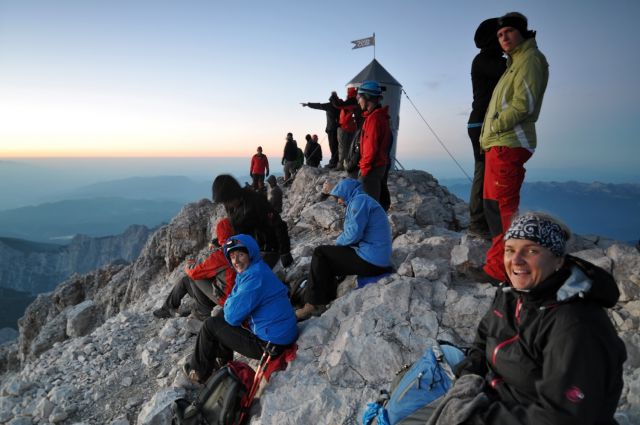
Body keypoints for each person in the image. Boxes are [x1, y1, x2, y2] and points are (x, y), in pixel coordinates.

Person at [445, 212, 626, 425]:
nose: (516, 260)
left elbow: (562, 417)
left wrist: (476, 419)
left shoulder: (575, 324)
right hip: (497, 402)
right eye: (510, 250)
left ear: (558, 259)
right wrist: (468, 378)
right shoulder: (512, 294)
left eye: (531, 251)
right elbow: (484, 338)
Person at [477, 12, 549, 283]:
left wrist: (494, 126)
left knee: (503, 211)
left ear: (523, 32)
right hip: (499, 145)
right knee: (493, 209)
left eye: (509, 31)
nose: (503, 37)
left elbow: (524, 104)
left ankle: (502, 271)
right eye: (499, 34)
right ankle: (497, 265)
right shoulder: (514, 63)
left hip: (508, 142)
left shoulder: (530, 60)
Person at [184, 234, 298, 384]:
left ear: (250, 253)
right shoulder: (255, 268)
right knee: (221, 314)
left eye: (241, 255)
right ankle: (223, 363)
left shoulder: (254, 277)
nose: (236, 261)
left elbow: (232, 316)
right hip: (280, 334)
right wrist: (230, 304)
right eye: (232, 256)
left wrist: (230, 304)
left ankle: (198, 372)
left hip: (271, 345)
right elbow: (232, 302)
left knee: (210, 325)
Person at [295, 178, 392, 321]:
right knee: (329, 259)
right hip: (376, 258)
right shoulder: (360, 200)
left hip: (372, 261)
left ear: (347, 193)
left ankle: (313, 304)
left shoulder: (359, 202)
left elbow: (353, 234)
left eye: (339, 197)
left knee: (320, 253)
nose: (339, 202)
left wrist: (337, 242)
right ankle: (324, 298)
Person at [467, 18, 507, 240]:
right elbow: (509, 71)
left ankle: (481, 220)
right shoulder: (485, 60)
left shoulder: (484, 59)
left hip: (481, 122)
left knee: (485, 170)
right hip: (482, 123)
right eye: (500, 35)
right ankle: (477, 222)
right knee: (483, 171)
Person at [153, 218, 236, 320]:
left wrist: (188, 267)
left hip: (227, 298)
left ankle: (203, 312)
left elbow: (195, 273)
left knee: (192, 277)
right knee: (186, 281)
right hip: (232, 292)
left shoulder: (220, 255)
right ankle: (167, 309)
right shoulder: (240, 247)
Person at [211, 174, 293, 269]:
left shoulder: (256, 201)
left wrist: (285, 252)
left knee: (248, 277)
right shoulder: (232, 207)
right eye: (224, 201)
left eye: (227, 200)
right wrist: (220, 240)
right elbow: (238, 229)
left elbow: (278, 225)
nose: (226, 204)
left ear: (233, 193)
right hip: (248, 249)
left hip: (267, 250)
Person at [356, 80, 392, 210]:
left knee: (367, 208)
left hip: (371, 170)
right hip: (378, 167)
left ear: (367, 97)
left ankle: (372, 229)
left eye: (359, 97)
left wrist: (363, 171)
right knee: (373, 204)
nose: (358, 100)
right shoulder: (379, 117)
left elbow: (370, 150)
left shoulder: (374, 119)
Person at [301, 92, 340, 168]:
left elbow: (319, 105)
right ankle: (336, 161)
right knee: (336, 145)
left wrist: (308, 104)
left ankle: (334, 162)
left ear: (331, 99)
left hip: (331, 129)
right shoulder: (339, 105)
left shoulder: (329, 105)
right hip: (338, 128)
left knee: (333, 146)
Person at [332, 87, 358, 171]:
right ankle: (348, 164)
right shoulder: (357, 102)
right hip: (353, 128)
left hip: (344, 127)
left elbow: (338, 105)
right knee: (350, 147)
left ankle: (340, 165)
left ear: (350, 93)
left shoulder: (351, 101)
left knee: (342, 147)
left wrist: (334, 96)